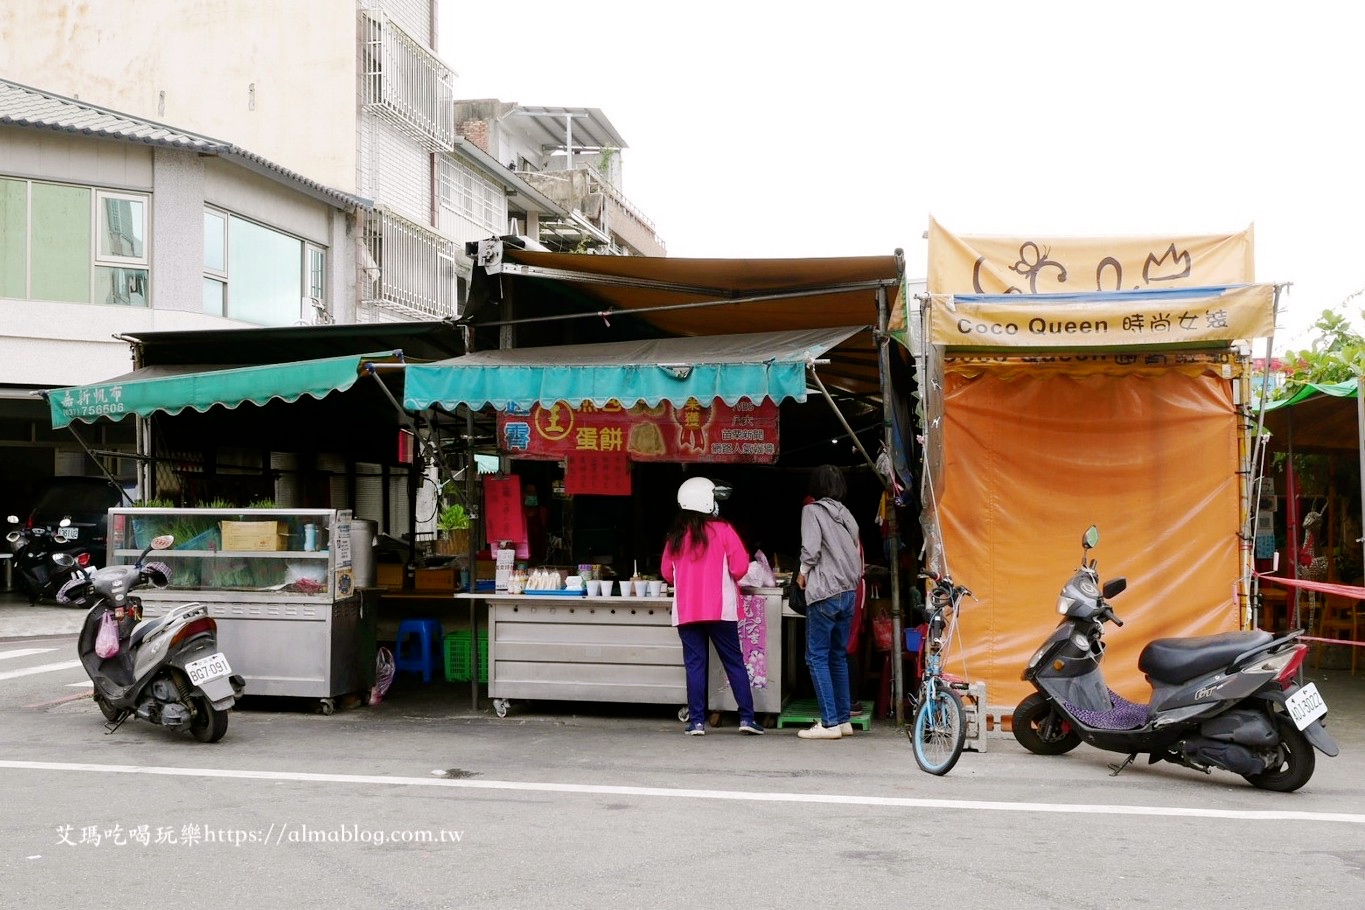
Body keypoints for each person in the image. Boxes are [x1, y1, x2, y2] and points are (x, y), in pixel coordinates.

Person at [660, 476, 764, 736]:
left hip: (687, 611)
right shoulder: (724, 530)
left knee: (695, 665)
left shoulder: (675, 537)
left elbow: (666, 573)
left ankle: (696, 722)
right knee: (734, 662)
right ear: (706, 501)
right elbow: (740, 568)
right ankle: (747, 718)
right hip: (721, 610)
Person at [796, 465, 862, 740]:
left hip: (825, 592)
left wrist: (801, 573)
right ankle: (843, 719)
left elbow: (811, 550)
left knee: (816, 657)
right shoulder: (846, 514)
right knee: (837, 655)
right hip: (848, 592)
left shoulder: (812, 511)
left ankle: (829, 722)